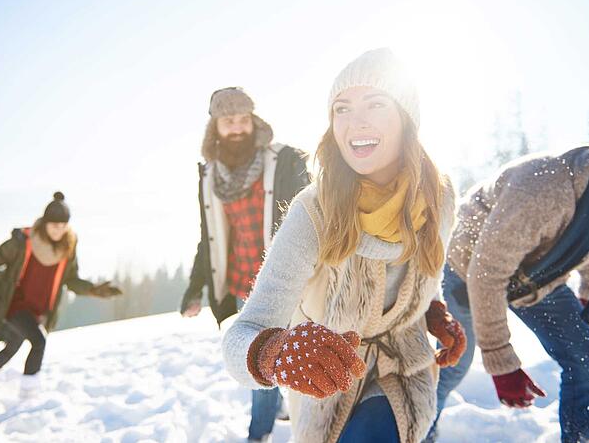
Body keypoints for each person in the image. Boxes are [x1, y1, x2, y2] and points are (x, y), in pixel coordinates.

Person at [222, 48, 466, 443]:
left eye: (376, 104)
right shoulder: (313, 211)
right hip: (327, 379)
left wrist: (430, 310)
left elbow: (424, 272)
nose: (357, 122)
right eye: (342, 108)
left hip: (405, 367)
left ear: (407, 118)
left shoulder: (439, 197)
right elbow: (241, 334)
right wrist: (275, 353)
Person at [429, 109, 589, 443]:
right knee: (453, 366)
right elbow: (487, 273)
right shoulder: (546, 187)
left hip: (537, 278)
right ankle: (417, 431)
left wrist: (587, 294)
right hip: (468, 270)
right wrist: (501, 362)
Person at [179, 87, 310, 442]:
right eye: (228, 121)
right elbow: (209, 239)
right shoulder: (210, 176)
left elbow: (314, 217)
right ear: (215, 128)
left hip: (283, 281)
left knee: (263, 356)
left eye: (242, 119)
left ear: (253, 120)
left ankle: (258, 434)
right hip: (240, 284)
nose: (236, 128)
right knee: (263, 356)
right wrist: (195, 289)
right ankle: (275, 408)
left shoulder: (285, 161)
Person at [0, 192, 121, 397]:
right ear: (45, 223)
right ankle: (28, 393)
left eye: (63, 225)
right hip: (13, 303)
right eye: (54, 224)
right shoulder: (23, 242)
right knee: (38, 342)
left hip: (38, 307)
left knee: (14, 344)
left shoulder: (68, 247)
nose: (58, 229)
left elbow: (71, 279)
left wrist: (93, 290)